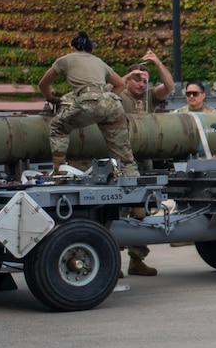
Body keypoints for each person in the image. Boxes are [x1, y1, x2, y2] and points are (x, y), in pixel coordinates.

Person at [111, 52, 174, 277]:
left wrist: (157, 62)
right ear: (128, 80)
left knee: (142, 211)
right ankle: (112, 263)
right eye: (137, 79)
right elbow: (106, 93)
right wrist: (127, 76)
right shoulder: (118, 96)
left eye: (145, 80)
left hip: (143, 161)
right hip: (120, 160)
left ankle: (137, 260)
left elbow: (169, 86)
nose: (141, 84)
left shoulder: (150, 97)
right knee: (117, 212)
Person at [37, 33, 134, 174]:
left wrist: (51, 98)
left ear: (72, 47)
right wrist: (105, 102)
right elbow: (120, 84)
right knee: (122, 149)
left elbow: (43, 84)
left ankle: (60, 172)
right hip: (112, 102)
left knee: (57, 126)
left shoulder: (65, 60)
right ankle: (130, 175)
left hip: (88, 100)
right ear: (92, 49)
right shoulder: (99, 62)